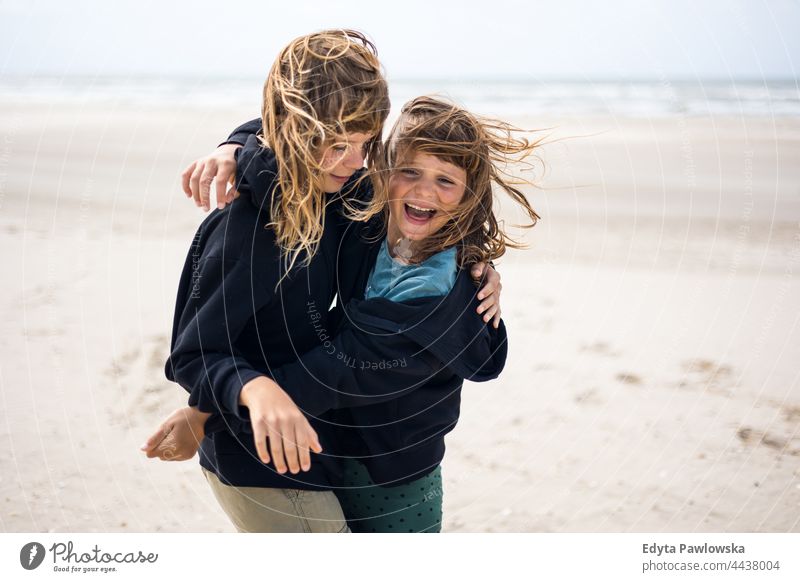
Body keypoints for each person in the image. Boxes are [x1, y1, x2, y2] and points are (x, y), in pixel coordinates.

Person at [141, 30, 503, 533]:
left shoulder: (337, 193)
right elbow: (192, 355)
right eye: (338, 145)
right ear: (295, 134)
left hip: (313, 443)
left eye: (365, 143)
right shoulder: (243, 228)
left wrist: (474, 263)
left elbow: (420, 217)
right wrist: (250, 393)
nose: (358, 164)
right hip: (254, 453)